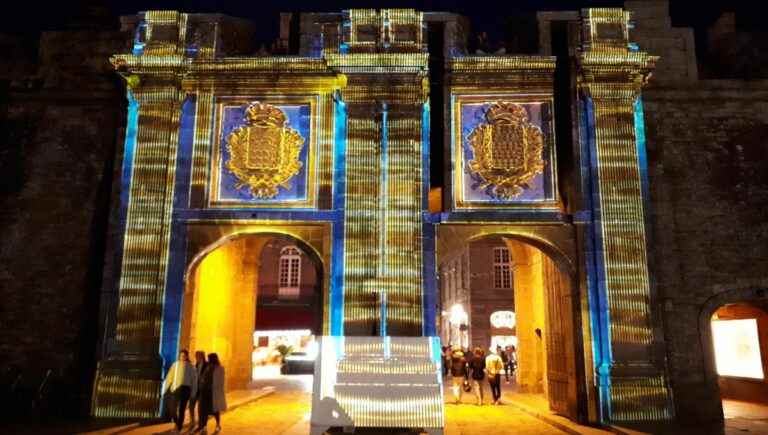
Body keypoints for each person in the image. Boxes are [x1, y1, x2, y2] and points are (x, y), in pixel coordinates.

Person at [163, 349, 197, 433]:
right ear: (179, 356)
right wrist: (164, 390)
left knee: (182, 410)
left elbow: (194, 381)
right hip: (175, 389)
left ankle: (178, 428)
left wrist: (193, 393)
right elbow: (169, 378)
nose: (182, 357)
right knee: (172, 409)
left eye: (184, 355)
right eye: (181, 355)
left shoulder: (191, 367)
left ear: (186, 356)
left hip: (186, 390)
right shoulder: (175, 365)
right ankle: (178, 424)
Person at [198, 353, 227, 433]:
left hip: (214, 392)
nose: (208, 360)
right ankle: (204, 427)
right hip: (205, 392)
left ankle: (218, 425)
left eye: (209, 358)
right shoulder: (208, 368)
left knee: (215, 410)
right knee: (205, 411)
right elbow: (204, 377)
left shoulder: (220, 368)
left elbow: (221, 381)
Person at [188, 351, 207, 428]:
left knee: (201, 408)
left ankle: (201, 423)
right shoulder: (195, 365)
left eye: (198, 356)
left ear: (202, 356)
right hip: (195, 389)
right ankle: (192, 421)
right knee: (191, 406)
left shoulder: (207, 365)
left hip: (202, 390)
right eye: (196, 356)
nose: (196, 357)